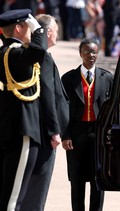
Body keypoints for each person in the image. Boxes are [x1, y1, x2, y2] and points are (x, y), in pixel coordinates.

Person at [21, 14, 69, 211]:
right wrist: (54, 130)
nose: (57, 34)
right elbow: (48, 96)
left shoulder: (35, 54)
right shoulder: (44, 58)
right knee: (37, 188)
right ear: (48, 33)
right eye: (56, 30)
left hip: (37, 131)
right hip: (45, 134)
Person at [0, 9, 47, 210]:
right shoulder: (15, 53)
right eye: (28, 27)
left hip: (13, 124)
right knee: (14, 195)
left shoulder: (7, 52)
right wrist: (40, 31)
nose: (31, 31)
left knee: (8, 191)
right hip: (23, 128)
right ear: (18, 28)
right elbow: (38, 51)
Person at [61, 38, 113, 211]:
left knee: (98, 178)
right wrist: (65, 135)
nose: (91, 56)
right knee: (77, 179)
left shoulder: (107, 78)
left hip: (98, 133)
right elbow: (62, 109)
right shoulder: (69, 79)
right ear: (80, 54)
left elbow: (113, 108)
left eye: (94, 52)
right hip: (77, 133)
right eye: (87, 52)